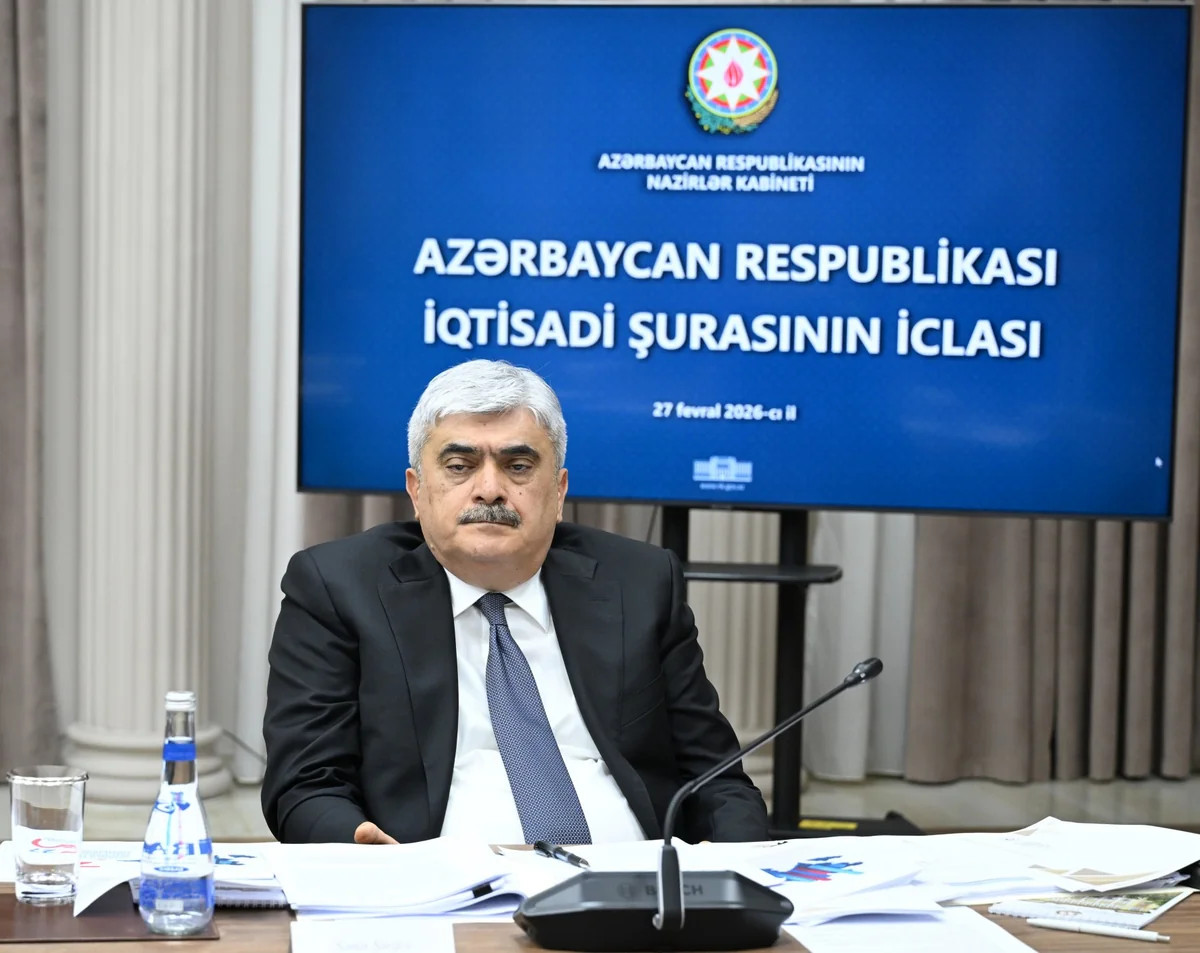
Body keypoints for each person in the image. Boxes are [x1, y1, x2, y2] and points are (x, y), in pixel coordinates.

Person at [261, 359, 769, 845]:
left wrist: (732, 865)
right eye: (459, 466)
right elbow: (306, 783)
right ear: (417, 491)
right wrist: (363, 853)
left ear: (559, 490)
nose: (489, 490)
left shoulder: (639, 583)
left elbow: (717, 779)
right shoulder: (338, 587)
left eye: (518, 466)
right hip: (441, 885)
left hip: (631, 881)